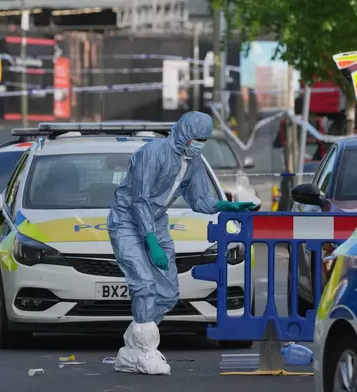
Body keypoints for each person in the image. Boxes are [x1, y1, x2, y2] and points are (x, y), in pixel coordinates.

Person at [107, 111, 257, 375]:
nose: (200, 143)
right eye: (197, 138)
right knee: (144, 284)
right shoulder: (153, 153)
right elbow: (139, 200)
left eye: (205, 139)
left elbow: (199, 199)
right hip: (126, 221)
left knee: (167, 293)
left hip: (157, 220)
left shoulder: (194, 161)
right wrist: (151, 241)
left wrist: (226, 205)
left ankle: (135, 344)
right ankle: (144, 351)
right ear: (185, 133)